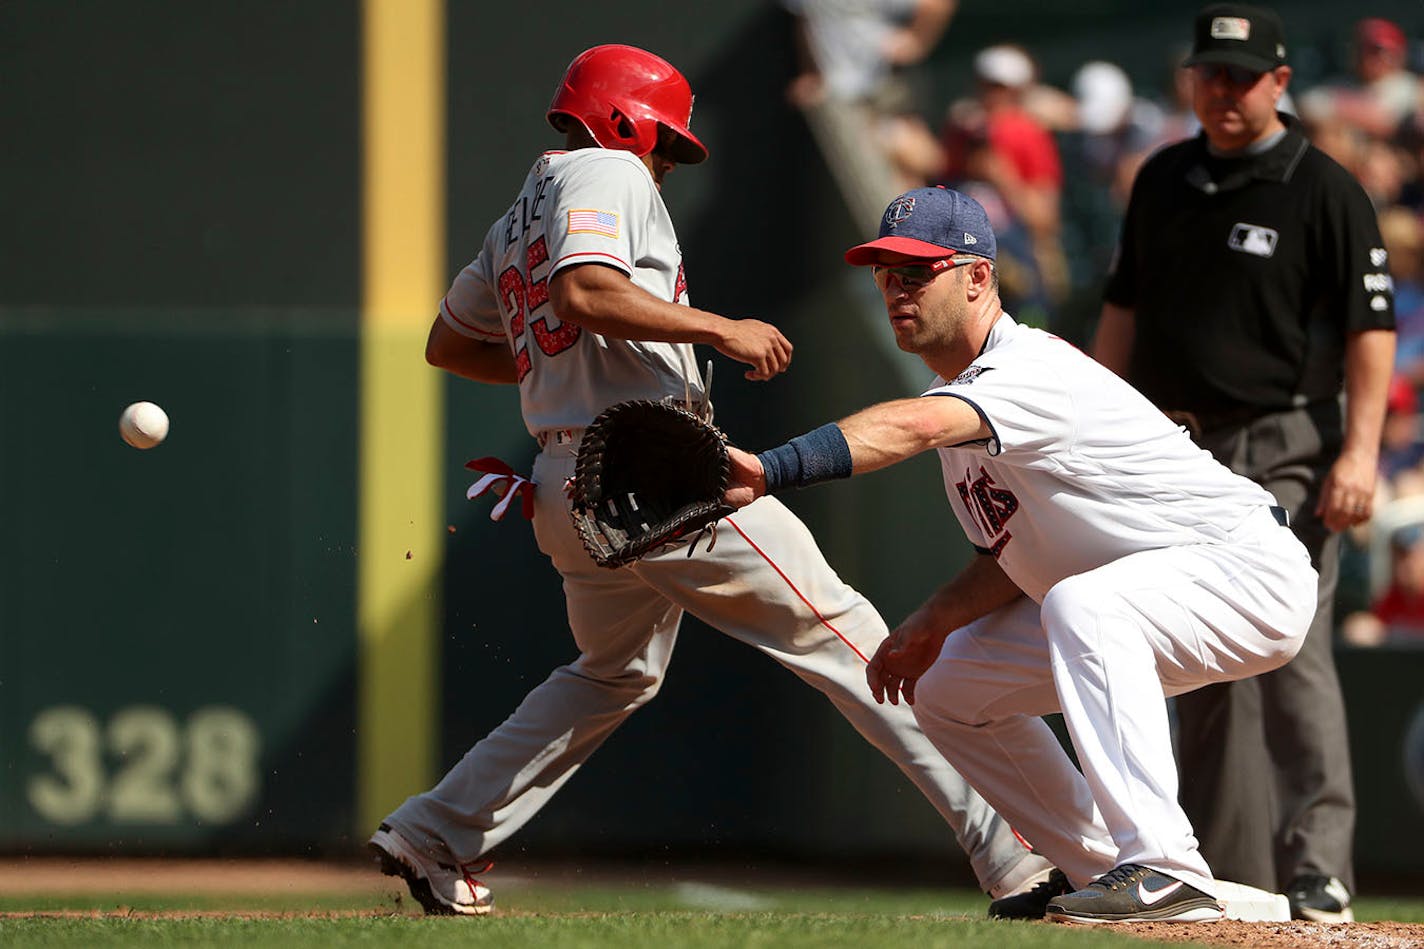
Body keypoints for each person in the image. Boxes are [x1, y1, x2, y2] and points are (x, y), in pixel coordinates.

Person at [365, 44, 1052, 917]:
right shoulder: (607, 170)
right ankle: (1016, 852)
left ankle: (438, 831)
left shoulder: (517, 215)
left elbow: (452, 344)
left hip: (565, 478)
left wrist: (553, 380)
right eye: (662, 140)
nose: (661, 158)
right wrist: (719, 328)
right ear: (622, 117)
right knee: (846, 637)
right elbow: (585, 291)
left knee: (614, 672)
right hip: (655, 471)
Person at [722, 184, 1317, 924]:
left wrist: (772, 467)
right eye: (884, 274)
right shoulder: (966, 393)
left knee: (1084, 602)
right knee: (947, 687)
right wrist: (935, 619)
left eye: (916, 271)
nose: (895, 289)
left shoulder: (1027, 369)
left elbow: (911, 427)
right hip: (1160, 586)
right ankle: (1095, 868)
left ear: (977, 277)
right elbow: (1009, 555)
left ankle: (1166, 867)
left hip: (1244, 570)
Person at [1091, 4, 1397, 923]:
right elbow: (1122, 313)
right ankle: (1226, 870)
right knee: (1201, 662)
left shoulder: (1323, 187)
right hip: (1173, 448)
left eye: (1241, 75)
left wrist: (1361, 451)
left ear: (1278, 82)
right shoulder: (1163, 178)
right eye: (1209, 73)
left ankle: (1319, 866)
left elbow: (1369, 330)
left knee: (1291, 647)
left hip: (1284, 442)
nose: (1222, 90)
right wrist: (1093, 426)